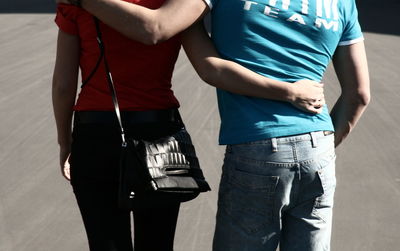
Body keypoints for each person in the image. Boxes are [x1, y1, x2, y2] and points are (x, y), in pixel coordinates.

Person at [56, 0, 370, 250]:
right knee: (157, 243)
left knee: (105, 241)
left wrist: (65, 143)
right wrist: (321, 143)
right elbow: (358, 94)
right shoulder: (343, 4)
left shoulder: (77, 5)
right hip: (162, 133)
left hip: (98, 132)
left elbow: (65, 83)